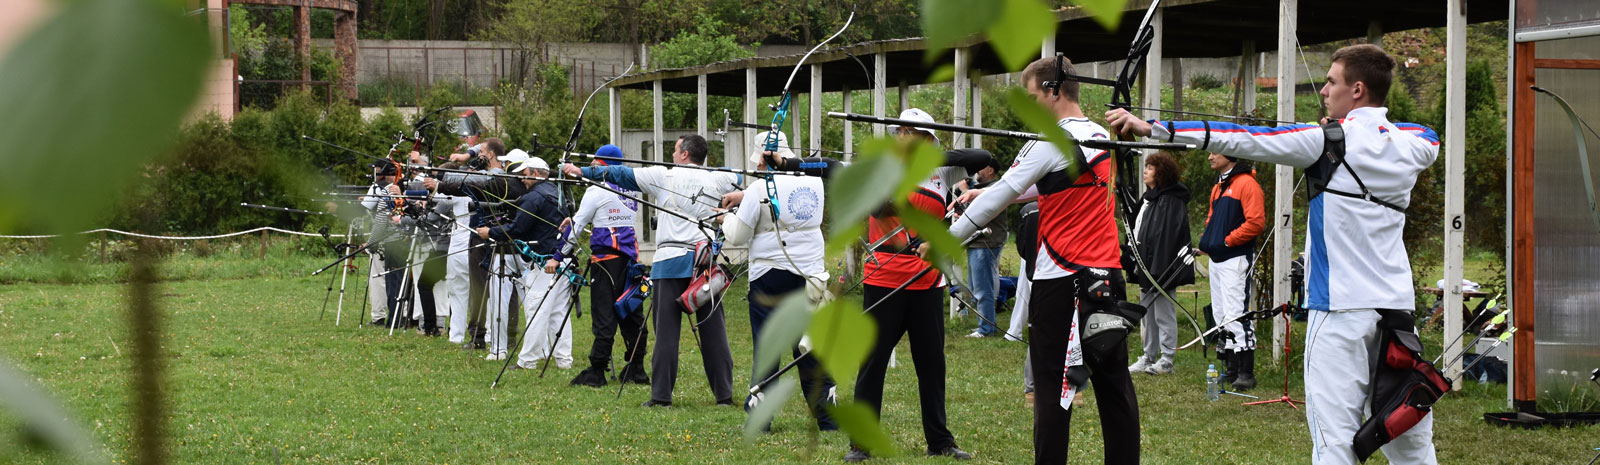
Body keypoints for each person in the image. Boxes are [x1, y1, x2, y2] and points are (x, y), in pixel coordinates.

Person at [1106, 44, 1440, 465]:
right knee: (1408, 437)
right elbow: (1427, 133)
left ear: (1357, 89)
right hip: (1397, 313)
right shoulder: (1412, 145)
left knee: (1334, 441)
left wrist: (1153, 127)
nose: (1323, 91)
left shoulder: (1324, 140)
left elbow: (1245, 138)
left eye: (1331, 82)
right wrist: (1363, 125)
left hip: (1339, 313)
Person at [950, 56, 1139, 465]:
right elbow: (1052, 183)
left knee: (1052, 389)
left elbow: (1003, 196)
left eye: (1032, 96)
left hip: (1062, 283)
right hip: (1106, 276)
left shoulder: (1050, 140)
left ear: (1053, 91)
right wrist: (986, 191)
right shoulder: (1099, 135)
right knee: (1114, 387)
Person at [844, 108, 988, 462]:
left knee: (932, 365)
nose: (906, 138)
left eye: (917, 134)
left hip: (927, 282)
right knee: (873, 362)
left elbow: (983, 158)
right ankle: (861, 443)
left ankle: (940, 442)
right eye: (905, 132)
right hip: (884, 281)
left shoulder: (941, 171)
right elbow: (877, 208)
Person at [562, 134, 739, 407]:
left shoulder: (663, 175)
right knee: (713, 331)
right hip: (704, 263)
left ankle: (661, 397)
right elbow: (746, 183)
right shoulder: (719, 179)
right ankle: (724, 396)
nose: (672, 155)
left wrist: (582, 171)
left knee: (667, 332)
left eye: (676, 150)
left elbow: (619, 173)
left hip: (670, 262)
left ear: (684, 154)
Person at [721, 130, 837, 432]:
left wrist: (725, 218)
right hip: (810, 277)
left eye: (759, 161)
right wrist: (746, 196)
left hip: (769, 278)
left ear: (765, 158)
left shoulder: (760, 187)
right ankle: (828, 417)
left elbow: (738, 235)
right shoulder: (815, 181)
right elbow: (784, 196)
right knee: (809, 347)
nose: (757, 166)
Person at [563, 144, 650, 388]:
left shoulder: (596, 189)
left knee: (604, 315)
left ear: (603, 164)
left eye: (595, 161)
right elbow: (611, 216)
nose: (591, 164)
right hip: (630, 261)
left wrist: (558, 256)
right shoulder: (631, 188)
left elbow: (577, 227)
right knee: (632, 313)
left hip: (605, 263)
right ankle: (636, 367)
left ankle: (597, 370)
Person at [476, 155, 572, 369]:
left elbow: (517, 228)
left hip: (546, 262)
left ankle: (527, 360)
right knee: (559, 312)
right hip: (562, 259)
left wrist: (490, 232)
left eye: (525, 175)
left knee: (536, 308)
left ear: (536, 173)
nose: (522, 179)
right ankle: (564, 360)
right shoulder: (557, 192)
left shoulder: (534, 197)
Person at [1192, 151, 1264, 387]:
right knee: (1221, 313)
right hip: (1217, 259)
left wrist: (1227, 241)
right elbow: (1211, 220)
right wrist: (1209, 242)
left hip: (1235, 257)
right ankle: (1232, 369)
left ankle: (1246, 372)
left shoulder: (1247, 184)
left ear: (1230, 154)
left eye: (1215, 152)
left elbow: (1255, 222)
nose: (1210, 157)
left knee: (1236, 313)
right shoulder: (1219, 186)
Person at [1125, 152, 1194, 376]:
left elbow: (1167, 237)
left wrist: (1159, 267)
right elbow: (1140, 229)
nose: (1145, 171)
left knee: (1163, 312)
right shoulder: (1150, 198)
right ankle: (1148, 356)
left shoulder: (1171, 200)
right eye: (1146, 167)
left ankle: (1167, 360)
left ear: (1161, 173)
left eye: (1150, 168)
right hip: (1145, 264)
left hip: (1162, 266)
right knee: (1147, 312)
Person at [955, 161, 1009, 338]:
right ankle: (985, 325)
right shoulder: (982, 187)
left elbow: (981, 210)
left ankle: (986, 329)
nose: (977, 170)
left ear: (990, 170)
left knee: (982, 288)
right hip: (977, 242)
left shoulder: (995, 188)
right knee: (975, 287)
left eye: (982, 167)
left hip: (986, 242)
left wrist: (965, 191)